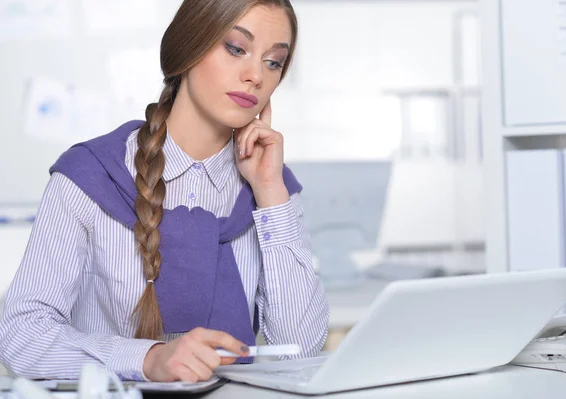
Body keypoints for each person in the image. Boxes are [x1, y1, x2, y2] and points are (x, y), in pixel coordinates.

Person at [0, 0, 329, 383]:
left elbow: (301, 348)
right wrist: (146, 360)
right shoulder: (90, 176)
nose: (255, 75)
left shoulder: (270, 184)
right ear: (188, 47)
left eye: (273, 62)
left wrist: (271, 191)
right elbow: (22, 336)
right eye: (236, 49)